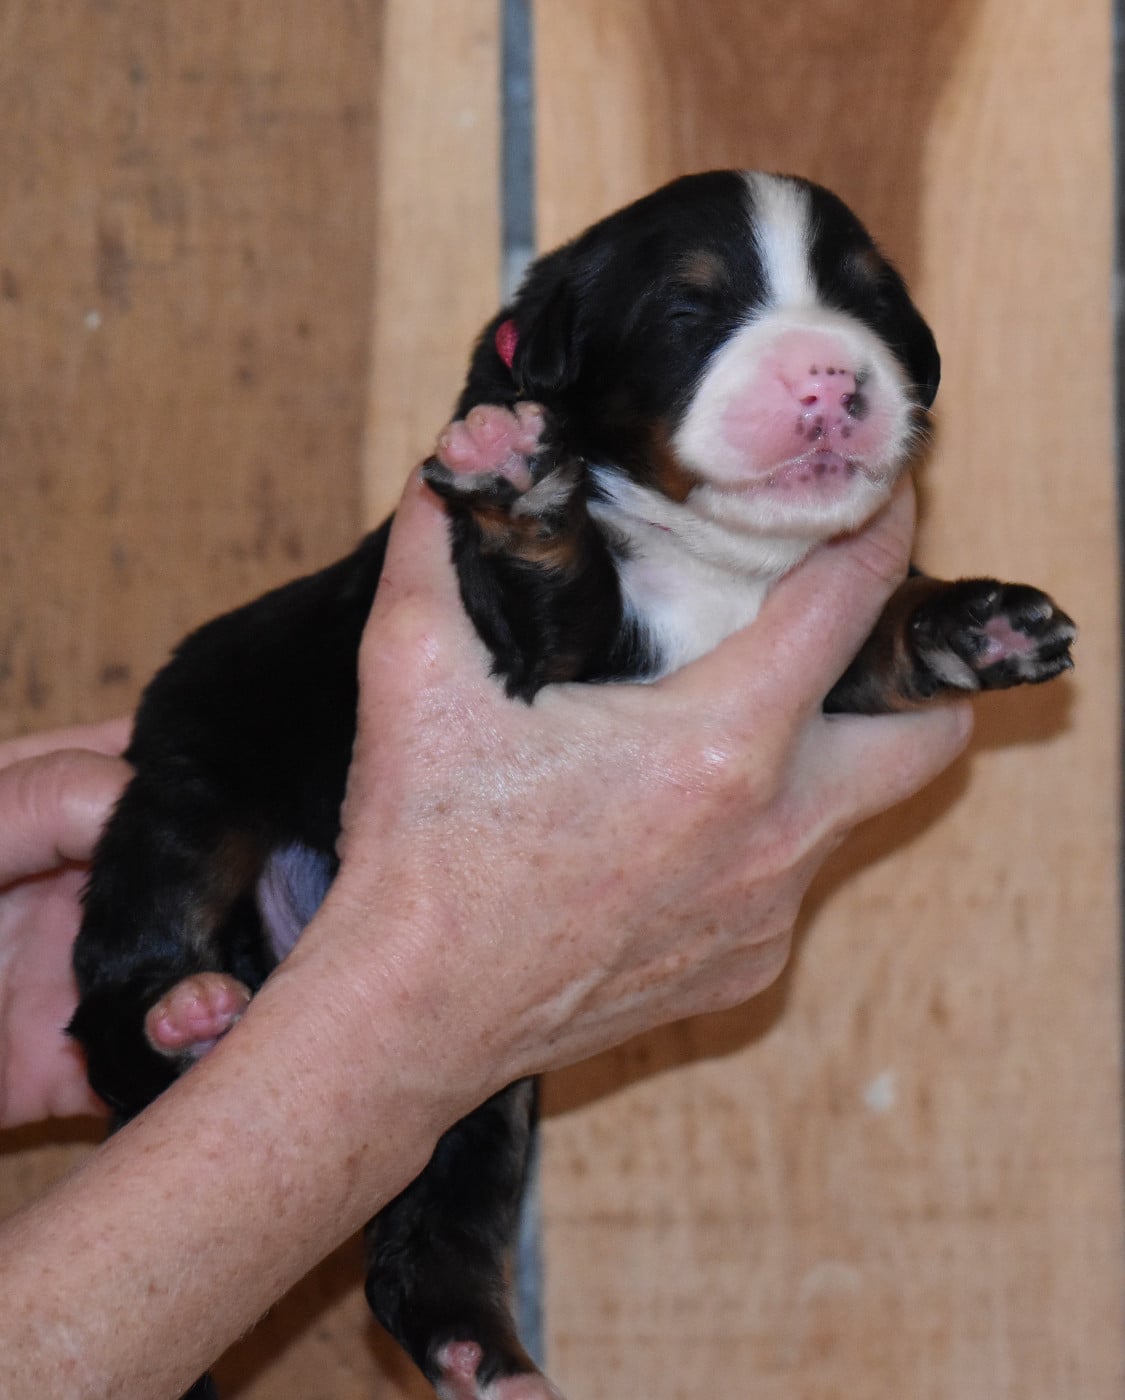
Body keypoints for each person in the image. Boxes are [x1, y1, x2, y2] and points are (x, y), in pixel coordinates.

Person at [0, 472, 969, 1397]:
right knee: (470, 1080)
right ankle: (439, 1284)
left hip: (298, 801)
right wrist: (415, 1017)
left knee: (482, 1103)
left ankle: (445, 1296)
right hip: (264, 797)